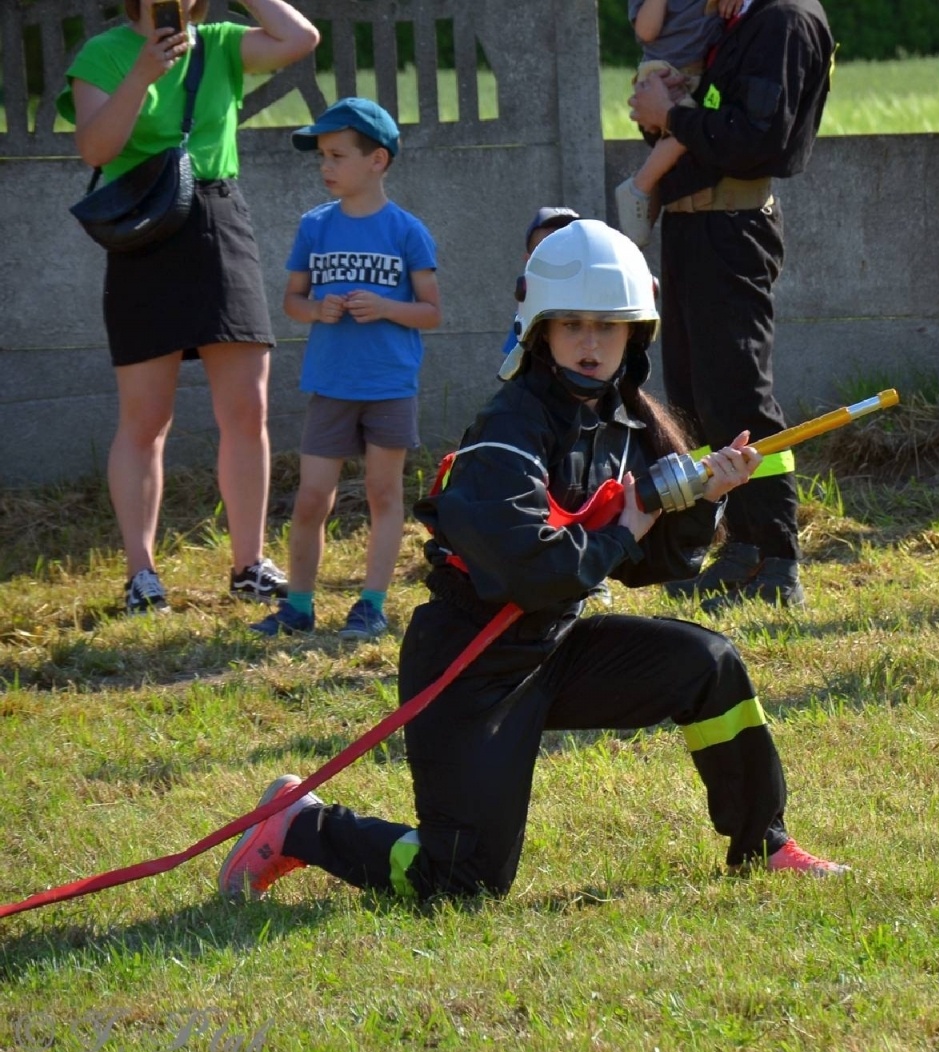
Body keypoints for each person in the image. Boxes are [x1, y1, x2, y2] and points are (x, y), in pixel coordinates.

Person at [218, 221, 847, 902]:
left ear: (635, 334)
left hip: (557, 646)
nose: (589, 342)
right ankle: (299, 824)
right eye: (571, 323)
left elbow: (650, 564)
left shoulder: (624, 425)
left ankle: (763, 842)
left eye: (608, 326)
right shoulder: (506, 430)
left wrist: (705, 498)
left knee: (709, 664)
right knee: (462, 881)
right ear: (540, 330)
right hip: (470, 667)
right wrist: (629, 523)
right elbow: (535, 569)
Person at [58, 0, 319, 614]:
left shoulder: (222, 42)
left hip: (219, 219)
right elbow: (95, 149)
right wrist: (143, 74)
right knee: (146, 420)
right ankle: (141, 575)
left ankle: (249, 564)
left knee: (246, 408)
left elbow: (299, 38)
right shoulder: (103, 54)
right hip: (145, 226)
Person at [629, 0, 834, 611]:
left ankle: (778, 556)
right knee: (696, 397)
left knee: (740, 396)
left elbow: (759, 140)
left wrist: (674, 115)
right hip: (693, 229)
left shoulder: (784, 19)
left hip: (734, 227)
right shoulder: (735, 23)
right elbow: (707, 121)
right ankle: (739, 547)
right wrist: (661, 111)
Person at [250, 99, 442, 640]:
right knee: (312, 497)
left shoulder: (407, 232)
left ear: (377, 160)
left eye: (337, 155)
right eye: (322, 157)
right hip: (331, 384)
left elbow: (432, 312)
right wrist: (316, 309)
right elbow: (292, 300)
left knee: (384, 494)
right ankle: (300, 606)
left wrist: (384, 308)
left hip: (388, 385)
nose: (325, 167)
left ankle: (371, 604)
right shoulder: (315, 227)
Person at [614, 0, 742, 247]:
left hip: (703, 71)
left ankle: (654, 190)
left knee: (702, 125)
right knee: (688, 123)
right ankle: (640, 186)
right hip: (661, 71)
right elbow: (646, 32)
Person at [502, 206, 581, 357]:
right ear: (528, 262)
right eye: (548, 253)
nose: (561, 261)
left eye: (571, 250)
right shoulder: (528, 313)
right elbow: (514, 370)